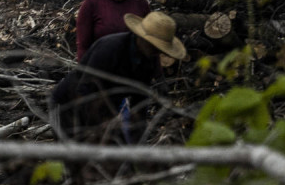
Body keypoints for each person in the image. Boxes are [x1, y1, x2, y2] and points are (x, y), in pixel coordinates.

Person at [49, 11, 188, 145]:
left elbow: (139, 101)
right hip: (69, 103)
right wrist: (97, 131)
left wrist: (137, 139)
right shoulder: (110, 48)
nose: (156, 52)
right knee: (72, 155)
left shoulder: (148, 61)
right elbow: (85, 90)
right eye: (154, 47)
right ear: (142, 38)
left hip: (107, 108)